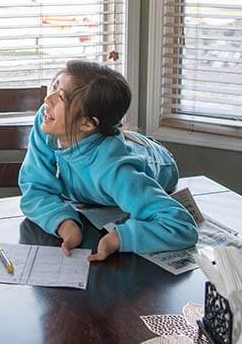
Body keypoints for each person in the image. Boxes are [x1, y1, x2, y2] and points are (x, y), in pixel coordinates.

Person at [18, 60, 198, 262]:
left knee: (120, 161)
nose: (47, 100)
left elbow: (181, 226)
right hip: (110, 144)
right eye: (54, 86)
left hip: (158, 161)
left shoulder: (115, 171)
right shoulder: (47, 122)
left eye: (60, 98)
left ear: (87, 123)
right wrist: (66, 224)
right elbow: (34, 187)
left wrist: (118, 239)